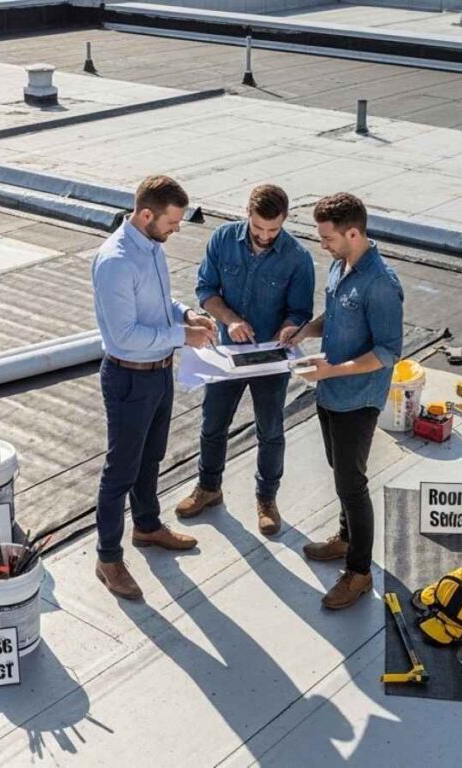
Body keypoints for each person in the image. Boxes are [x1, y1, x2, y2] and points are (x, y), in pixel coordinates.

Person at [91, 175, 218, 600]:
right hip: (129, 376)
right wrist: (183, 338)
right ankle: (108, 557)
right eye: (172, 222)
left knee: (151, 457)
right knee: (120, 471)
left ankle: (146, 526)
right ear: (146, 214)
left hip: (157, 373)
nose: (176, 229)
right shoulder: (116, 261)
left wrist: (186, 317)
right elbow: (125, 335)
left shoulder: (150, 247)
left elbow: (160, 305)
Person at [175, 184, 315, 535]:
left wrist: (288, 328)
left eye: (274, 230)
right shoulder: (222, 240)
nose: (265, 236)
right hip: (228, 356)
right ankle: (209, 488)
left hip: (270, 359)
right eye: (258, 229)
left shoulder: (297, 258)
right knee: (212, 424)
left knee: (270, 431)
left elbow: (300, 311)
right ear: (247, 215)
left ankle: (266, 499)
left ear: (284, 221)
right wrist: (231, 320)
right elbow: (206, 290)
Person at [292, 193, 404, 610]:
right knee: (339, 470)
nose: (323, 245)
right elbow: (335, 317)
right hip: (330, 391)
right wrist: (305, 332)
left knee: (352, 485)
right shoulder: (341, 266)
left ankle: (359, 571)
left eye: (327, 238)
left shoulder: (382, 284)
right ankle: (345, 537)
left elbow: (387, 352)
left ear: (353, 233)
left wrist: (332, 371)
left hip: (357, 399)